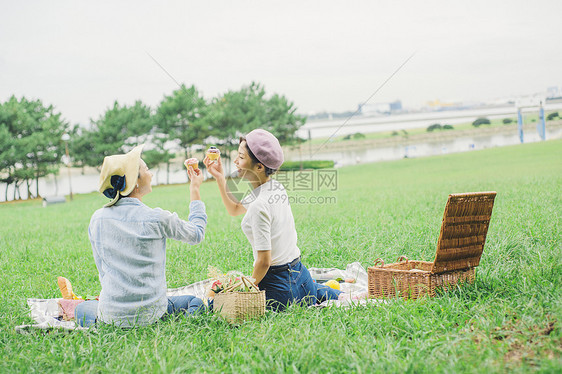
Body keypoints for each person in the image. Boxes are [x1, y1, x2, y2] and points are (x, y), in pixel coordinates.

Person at [203, 129, 340, 311]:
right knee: (323, 291)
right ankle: (336, 294)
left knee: (215, 306)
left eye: (241, 157)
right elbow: (234, 209)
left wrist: (247, 288)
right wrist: (219, 177)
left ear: (259, 167)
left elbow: (264, 261)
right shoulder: (274, 187)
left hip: (280, 290)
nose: (235, 161)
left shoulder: (260, 204)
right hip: (302, 278)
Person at [73, 144, 207, 327]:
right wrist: (195, 189)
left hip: (112, 315)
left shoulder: (97, 219)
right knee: (195, 303)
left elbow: (102, 270)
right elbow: (197, 234)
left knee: (82, 309)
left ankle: (98, 325)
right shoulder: (158, 218)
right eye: (146, 169)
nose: (150, 174)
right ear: (134, 182)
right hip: (152, 313)